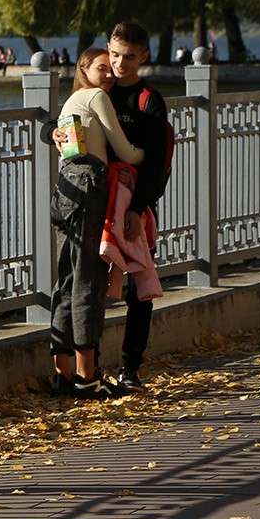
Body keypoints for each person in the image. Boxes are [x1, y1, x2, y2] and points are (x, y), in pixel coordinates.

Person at [49, 48, 144, 399]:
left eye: (110, 68)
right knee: (88, 278)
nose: (108, 74)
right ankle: (87, 378)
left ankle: (63, 374)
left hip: (65, 189)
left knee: (66, 278)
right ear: (84, 69)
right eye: (101, 67)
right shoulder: (96, 97)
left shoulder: (71, 102)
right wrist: (147, 155)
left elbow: (62, 143)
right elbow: (125, 149)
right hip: (89, 186)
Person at [99, 22, 170, 388]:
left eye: (128, 57)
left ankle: (130, 369)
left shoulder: (149, 101)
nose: (119, 63)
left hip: (135, 206)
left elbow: (157, 164)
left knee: (138, 289)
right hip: (98, 203)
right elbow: (66, 117)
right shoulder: (99, 90)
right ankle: (88, 369)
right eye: (114, 54)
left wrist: (137, 209)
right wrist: (53, 132)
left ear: (143, 56)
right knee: (90, 284)